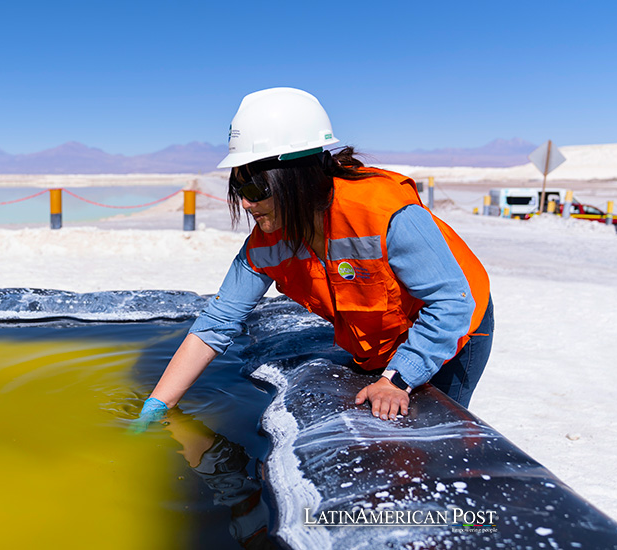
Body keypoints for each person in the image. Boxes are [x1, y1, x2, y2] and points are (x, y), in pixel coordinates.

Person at [134, 87, 493, 429]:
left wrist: (397, 378)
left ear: (295, 175)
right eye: (238, 188)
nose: (245, 203)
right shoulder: (266, 242)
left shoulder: (383, 212)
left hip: (456, 327)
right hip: (382, 339)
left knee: (425, 436)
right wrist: (157, 406)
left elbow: (451, 302)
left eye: (254, 189)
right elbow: (217, 323)